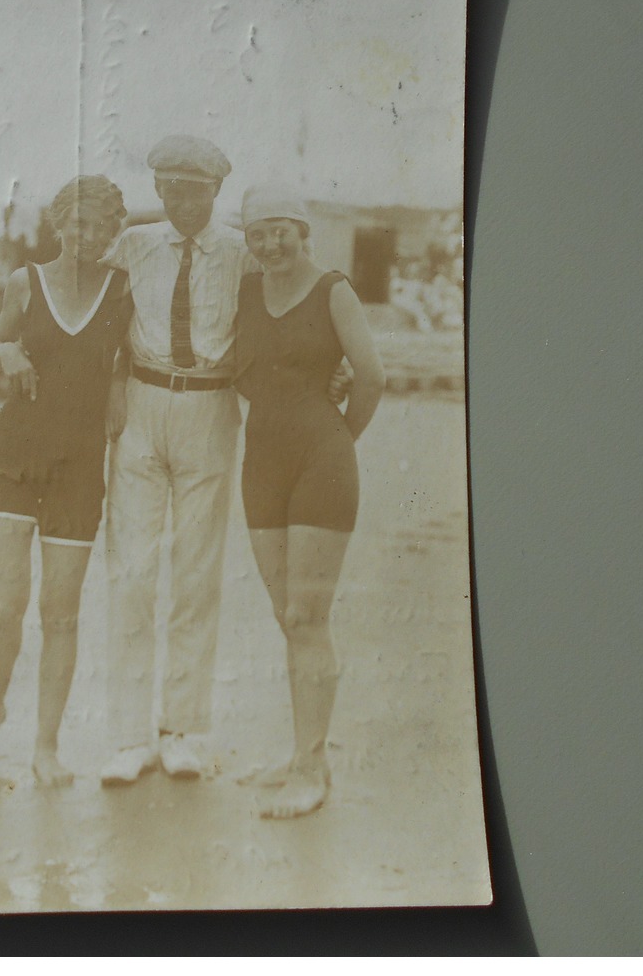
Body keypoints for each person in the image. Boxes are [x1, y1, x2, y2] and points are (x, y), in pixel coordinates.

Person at [0, 175, 132, 786]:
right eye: (77, 222)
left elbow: (130, 365)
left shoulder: (122, 289)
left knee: (62, 612)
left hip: (78, 465)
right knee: (7, 606)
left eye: (101, 225)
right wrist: (10, 355)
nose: (87, 234)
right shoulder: (25, 280)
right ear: (58, 224)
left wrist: (121, 400)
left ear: (113, 233)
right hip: (14, 455)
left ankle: (45, 746)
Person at [97, 135, 254, 785]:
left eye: (196, 189)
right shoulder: (133, 245)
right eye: (170, 188)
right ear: (156, 190)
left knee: (195, 573)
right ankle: (129, 736)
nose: (183, 201)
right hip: (141, 403)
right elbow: (101, 316)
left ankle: (184, 729)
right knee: (131, 573)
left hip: (210, 410)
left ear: (218, 190)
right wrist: (110, 387)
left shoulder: (245, 253)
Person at [234, 185, 385, 819]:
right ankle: (305, 755)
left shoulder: (333, 290)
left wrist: (340, 437)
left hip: (322, 464)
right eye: (258, 233)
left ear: (302, 230)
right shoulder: (244, 293)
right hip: (261, 464)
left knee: (307, 619)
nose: (271, 243)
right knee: (286, 617)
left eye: (281, 230)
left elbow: (371, 375)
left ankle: (311, 770)